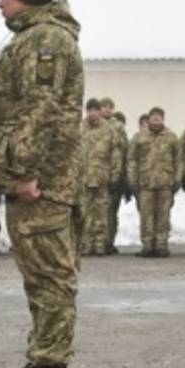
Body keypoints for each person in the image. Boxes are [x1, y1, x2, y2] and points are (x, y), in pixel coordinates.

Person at [0, 0, 84, 368]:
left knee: (51, 276)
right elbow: (14, 109)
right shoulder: (33, 37)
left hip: (42, 183)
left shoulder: (45, 40)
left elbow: (39, 111)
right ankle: (42, 360)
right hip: (40, 179)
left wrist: (22, 172)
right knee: (40, 275)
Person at [128, 109, 181, 258]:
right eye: (154, 117)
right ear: (149, 119)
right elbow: (132, 160)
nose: (156, 120)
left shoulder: (171, 137)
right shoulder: (139, 137)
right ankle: (147, 246)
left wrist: (177, 180)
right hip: (145, 183)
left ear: (163, 119)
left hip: (165, 183)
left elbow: (178, 160)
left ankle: (161, 246)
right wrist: (132, 181)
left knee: (163, 216)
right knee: (146, 216)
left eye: (159, 117)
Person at [79, 98, 123, 256]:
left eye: (95, 110)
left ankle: (99, 245)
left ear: (99, 111)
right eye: (89, 110)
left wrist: (114, 176)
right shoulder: (79, 129)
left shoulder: (109, 130)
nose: (92, 113)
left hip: (102, 178)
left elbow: (115, 155)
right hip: (83, 179)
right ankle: (85, 245)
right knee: (84, 213)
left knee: (101, 214)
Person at [99, 97, 129, 256]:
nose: (106, 110)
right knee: (97, 212)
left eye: (109, 107)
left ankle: (109, 241)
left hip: (114, 176)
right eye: (104, 107)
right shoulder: (92, 126)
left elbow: (124, 151)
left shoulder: (118, 127)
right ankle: (97, 242)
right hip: (96, 175)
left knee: (111, 212)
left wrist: (121, 177)